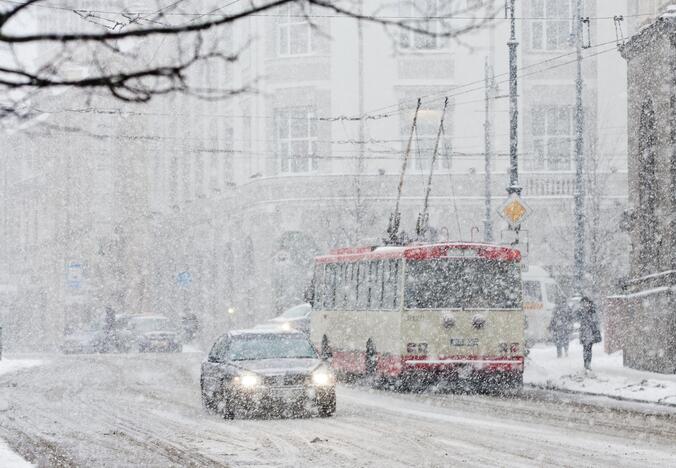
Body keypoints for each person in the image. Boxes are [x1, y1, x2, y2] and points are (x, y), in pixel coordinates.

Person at [578, 296, 602, 370]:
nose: (584, 304)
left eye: (585, 303)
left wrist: (596, 330)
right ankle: (586, 363)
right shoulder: (581, 311)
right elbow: (578, 319)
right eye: (582, 303)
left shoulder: (592, 311)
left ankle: (588, 363)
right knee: (585, 349)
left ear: (588, 303)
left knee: (589, 348)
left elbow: (596, 321)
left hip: (591, 332)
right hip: (584, 332)